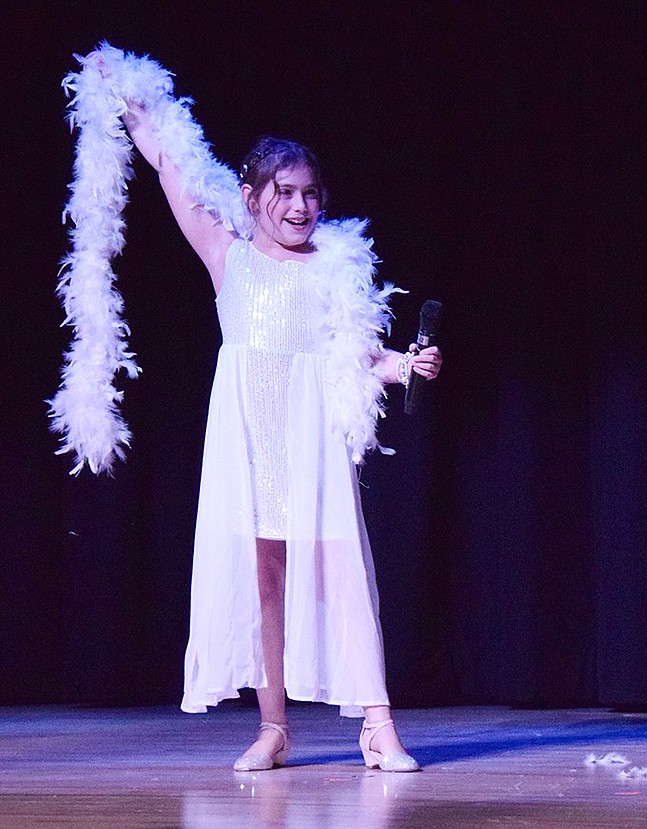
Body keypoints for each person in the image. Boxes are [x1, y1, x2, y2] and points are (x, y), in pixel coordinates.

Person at [76, 47, 440, 772]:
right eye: (285, 192)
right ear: (251, 197)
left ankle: (377, 723)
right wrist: (128, 90)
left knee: (345, 573)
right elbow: (171, 165)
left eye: (310, 193)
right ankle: (274, 727)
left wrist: (405, 363)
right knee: (264, 578)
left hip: (313, 437)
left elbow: (354, 352)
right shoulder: (228, 255)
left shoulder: (335, 267)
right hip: (248, 435)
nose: (301, 206)